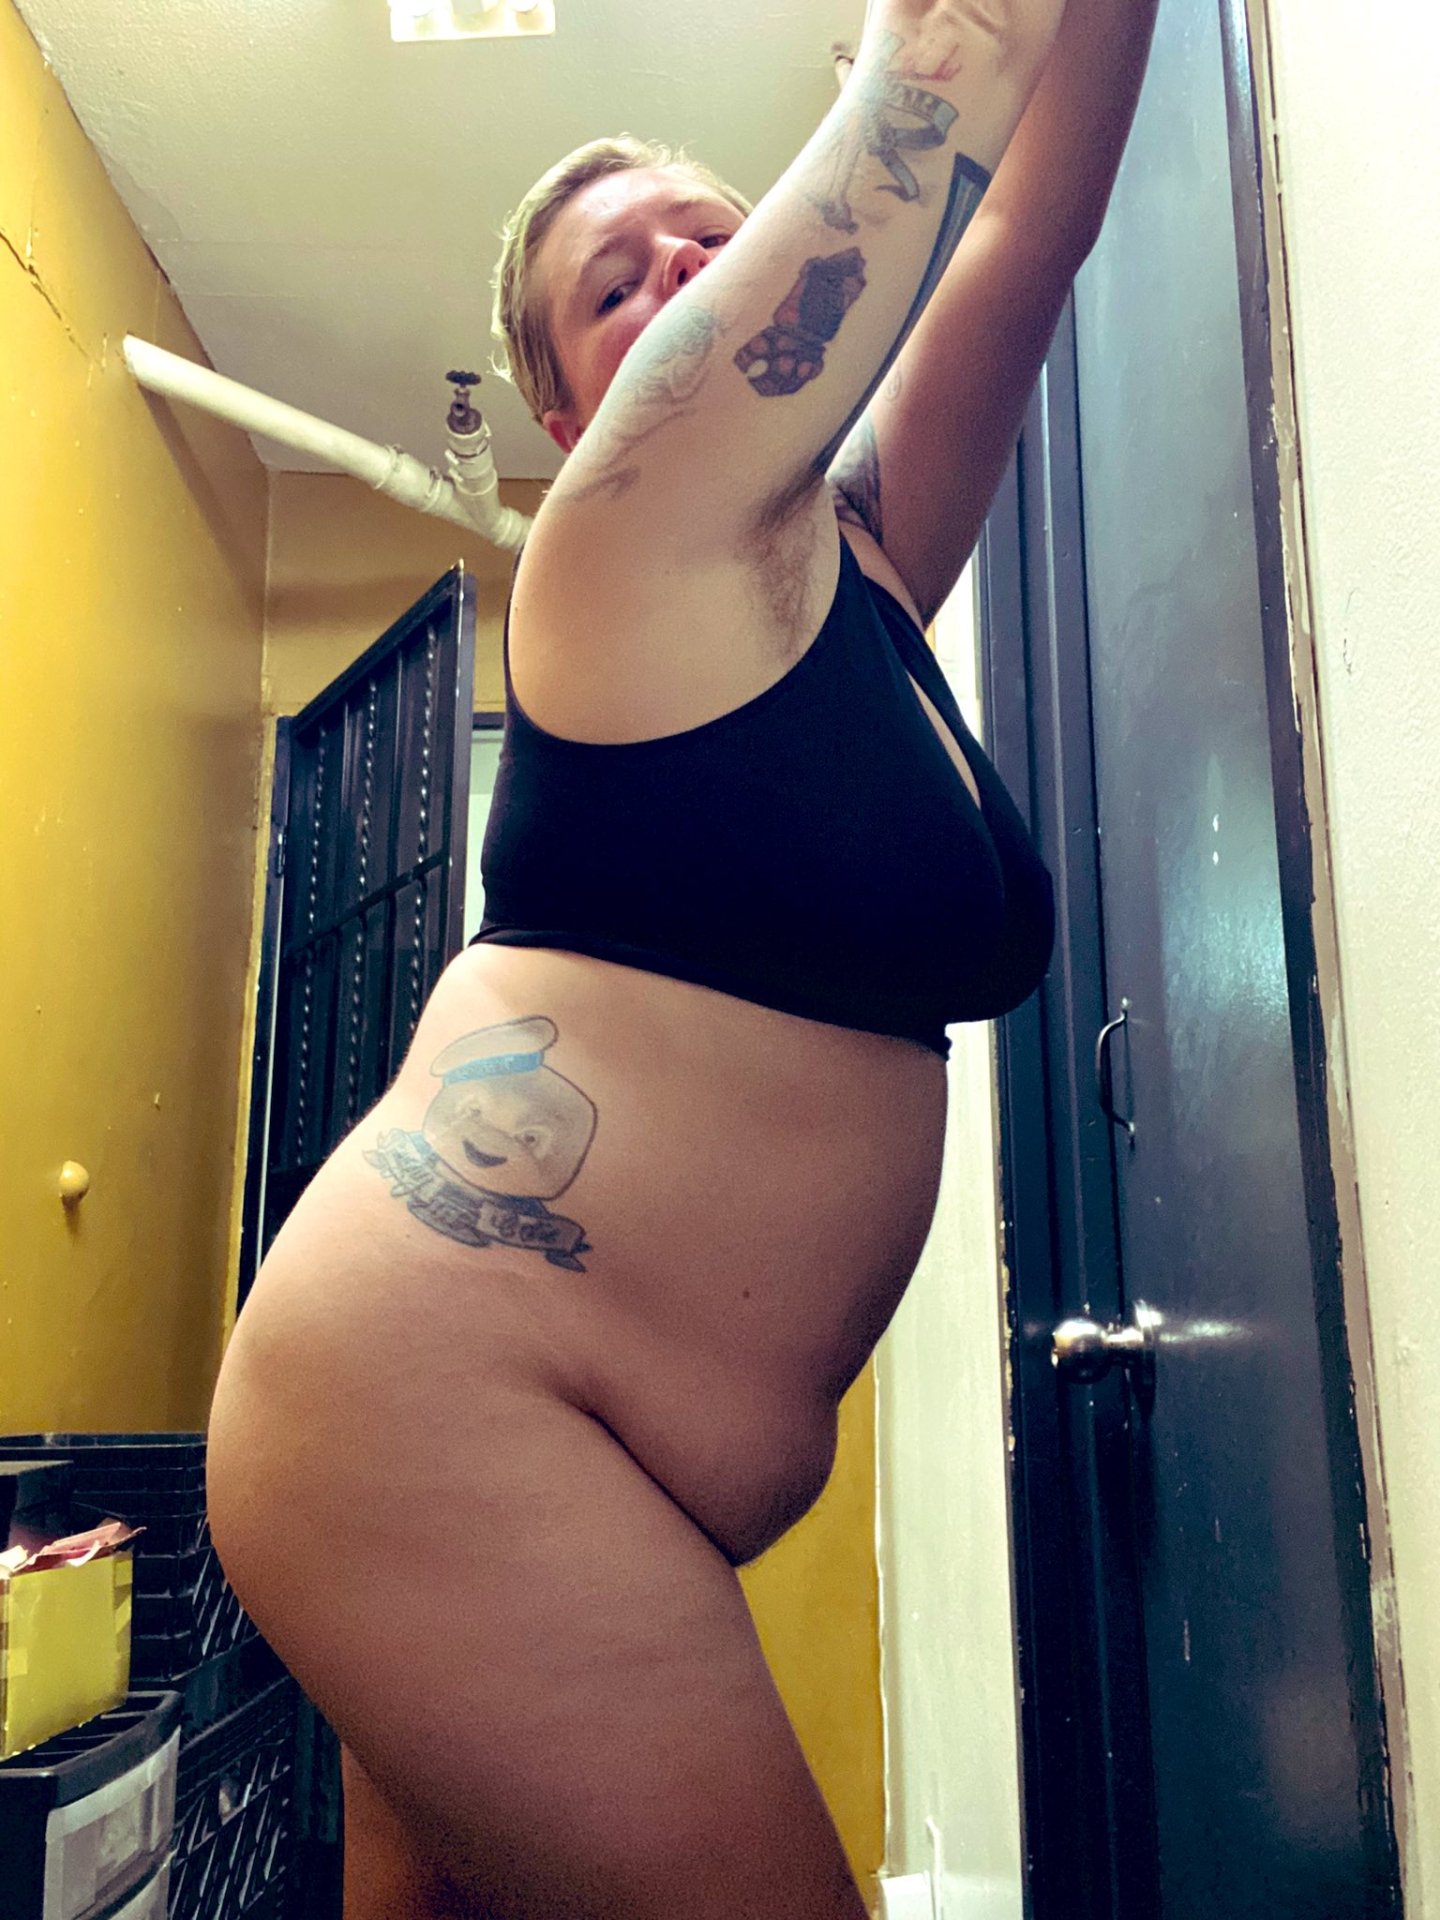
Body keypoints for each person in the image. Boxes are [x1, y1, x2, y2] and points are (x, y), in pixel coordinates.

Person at [207, 2, 1159, 1913]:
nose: (681, 276)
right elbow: (938, 86)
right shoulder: (622, 545)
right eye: (614, 285)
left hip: (532, 1449)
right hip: (450, 1410)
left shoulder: (855, 567)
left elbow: (1024, 238)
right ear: (580, 414)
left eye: (707, 236)